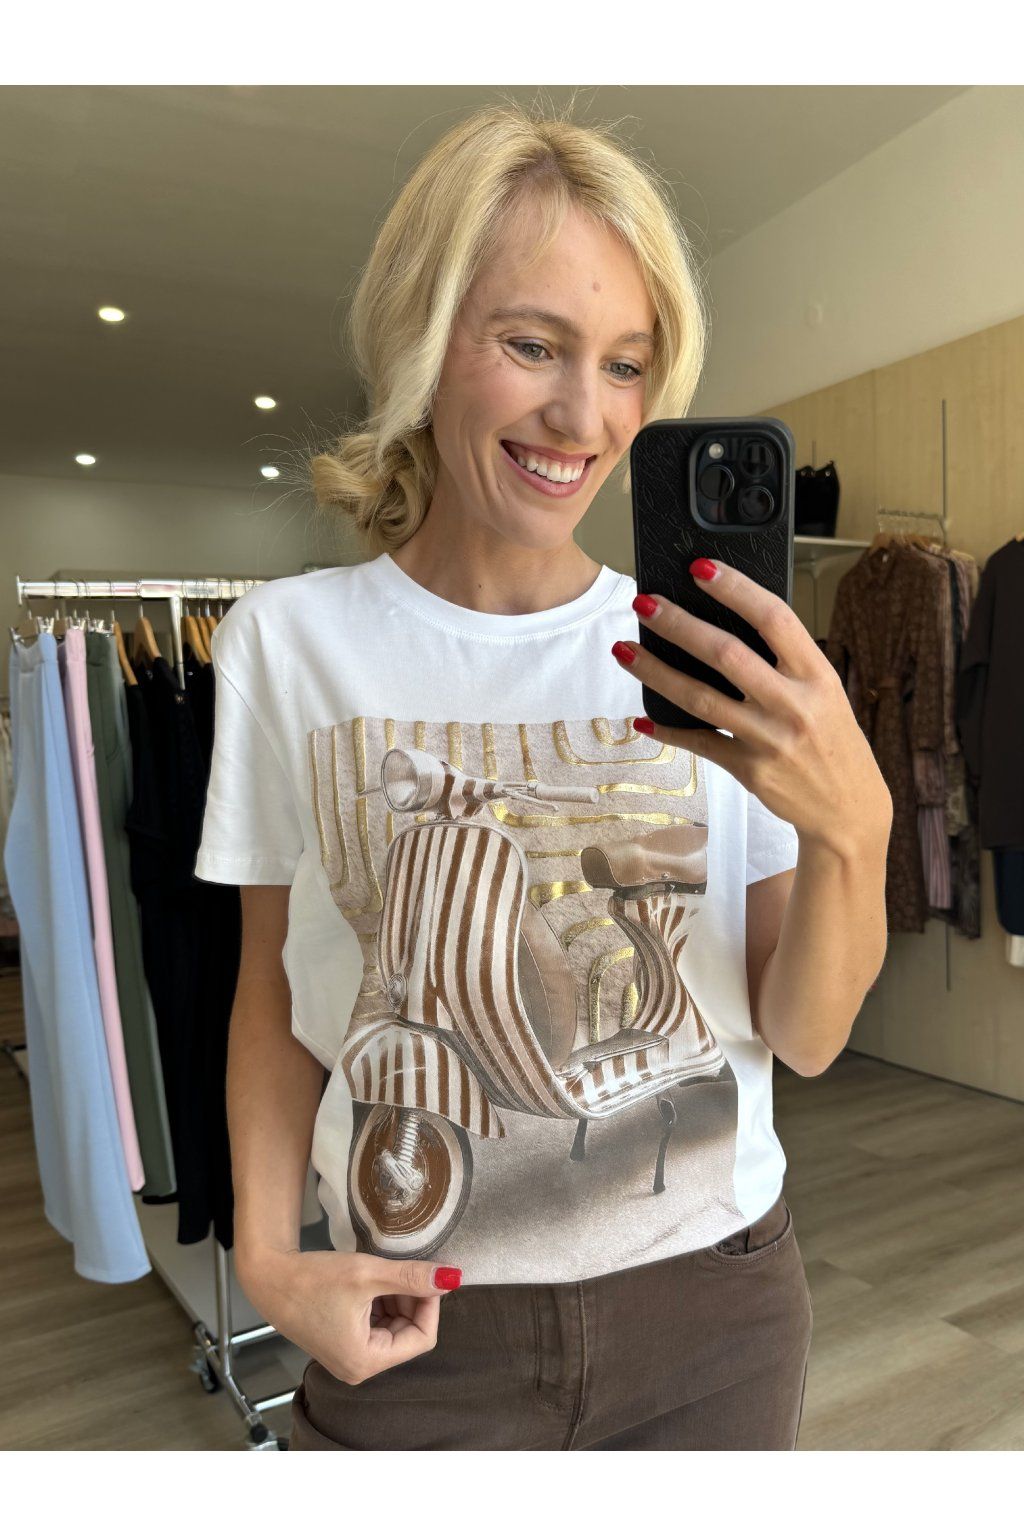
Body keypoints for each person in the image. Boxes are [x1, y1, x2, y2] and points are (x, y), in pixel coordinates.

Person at [194, 101, 892, 1451]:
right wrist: (270, 1261)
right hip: (415, 1323)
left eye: (627, 364)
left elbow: (802, 1036)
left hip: (715, 1309)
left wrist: (854, 834)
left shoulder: (705, 656)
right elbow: (272, 998)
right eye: (532, 346)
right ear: (423, 342)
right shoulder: (288, 644)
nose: (586, 416)